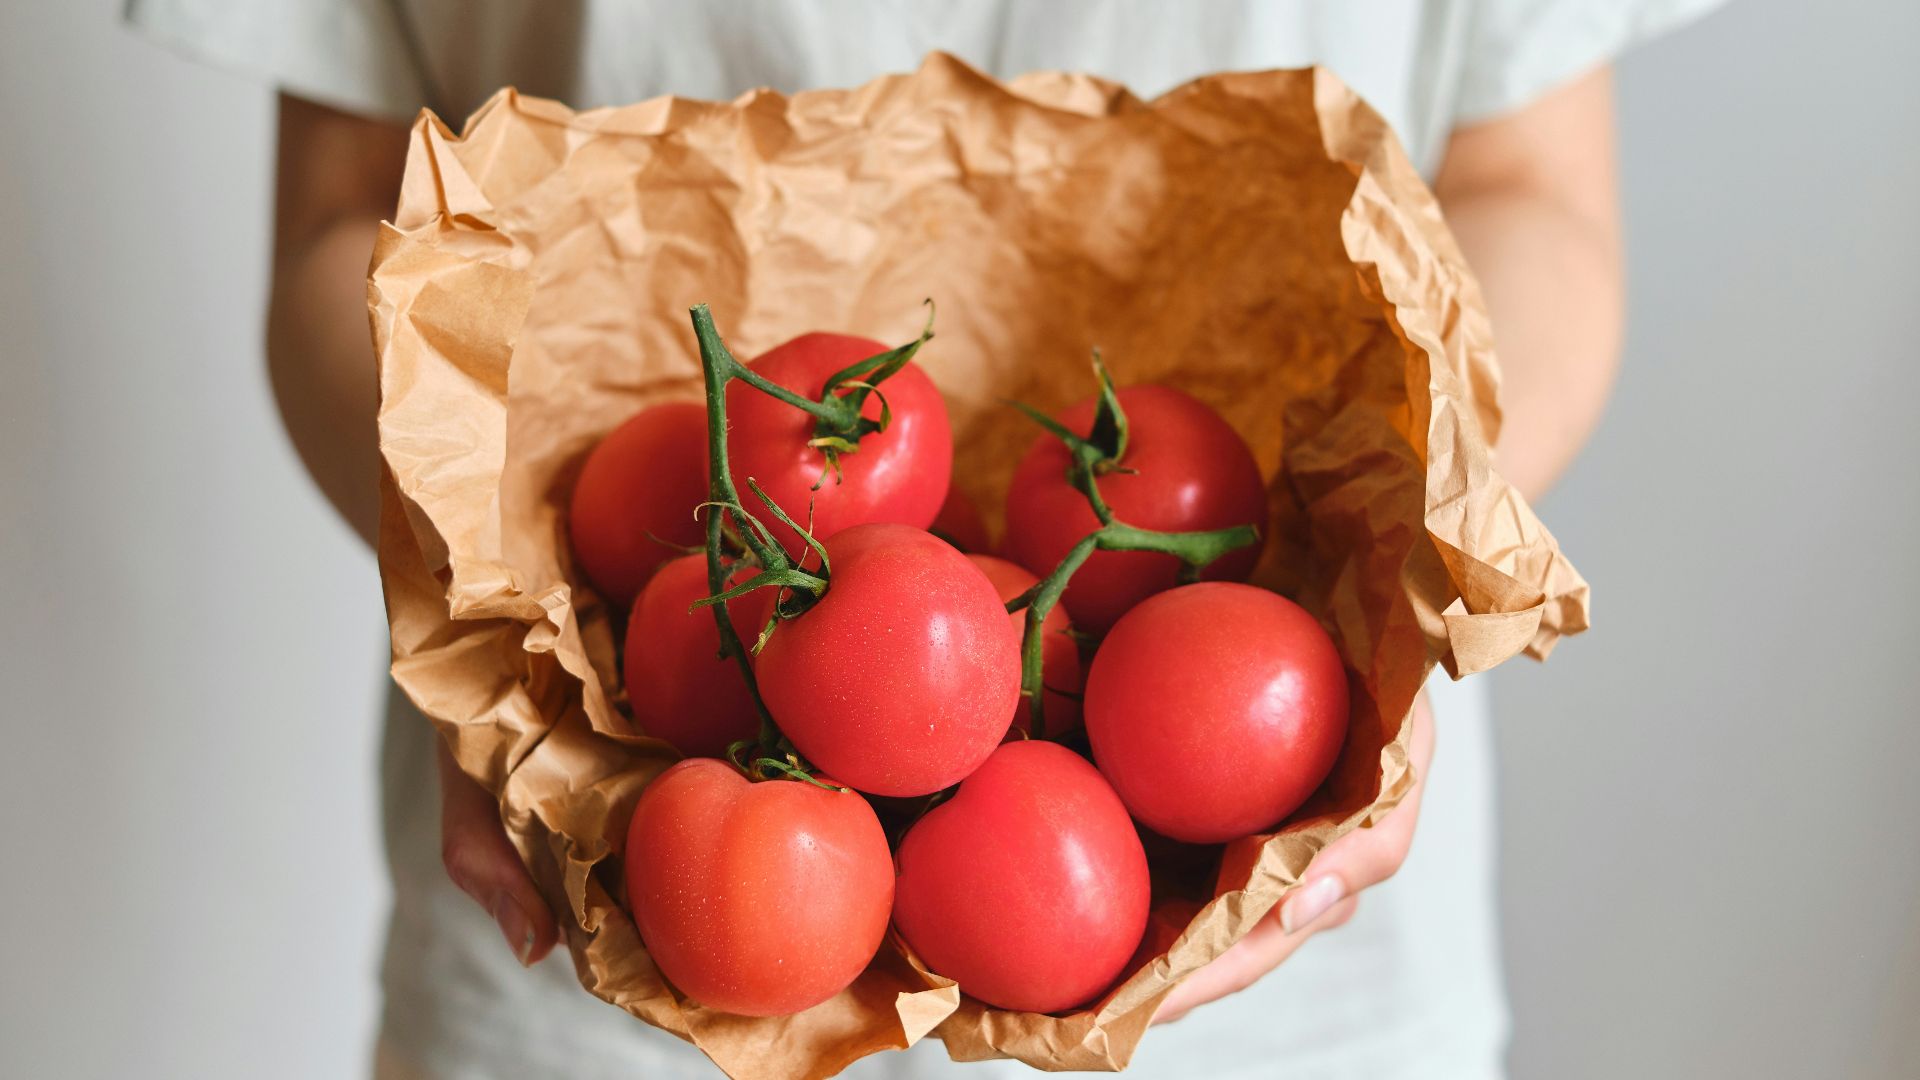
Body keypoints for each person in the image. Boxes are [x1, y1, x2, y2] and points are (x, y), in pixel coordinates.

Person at [128, 2, 1720, 1077]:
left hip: (1292, 978)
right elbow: (353, 215)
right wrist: (480, 597)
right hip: (605, 922)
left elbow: (1525, 190)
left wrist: (1398, 556)